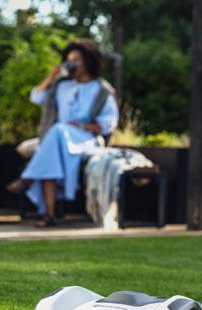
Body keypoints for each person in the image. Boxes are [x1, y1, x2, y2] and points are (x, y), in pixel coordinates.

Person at [9, 39, 119, 227]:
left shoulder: (101, 90)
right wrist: (51, 76)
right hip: (59, 139)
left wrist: (85, 127)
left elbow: (109, 123)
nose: (72, 64)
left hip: (85, 140)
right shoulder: (60, 86)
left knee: (56, 133)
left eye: (77, 60)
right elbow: (36, 97)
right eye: (69, 60)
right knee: (55, 139)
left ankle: (30, 182)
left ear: (88, 62)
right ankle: (49, 214)